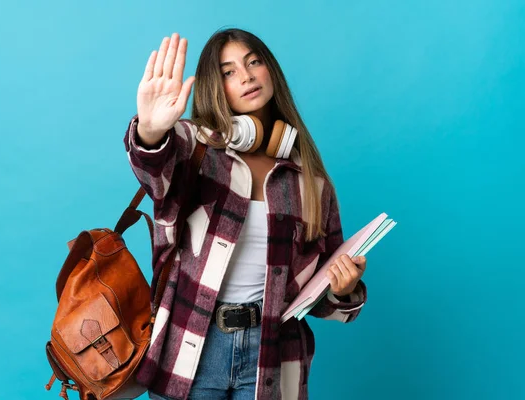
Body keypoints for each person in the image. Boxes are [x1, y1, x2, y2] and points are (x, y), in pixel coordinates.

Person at [124, 28, 368, 400]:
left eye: (254, 62)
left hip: (273, 353)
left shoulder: (313, 184)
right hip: (191, 346)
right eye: (229, 71)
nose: (247, 75)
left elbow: (320, 295)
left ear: (271, 71)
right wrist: (152, 133)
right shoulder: (194, 148)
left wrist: (344, 290)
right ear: (214, 87)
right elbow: (153, 171)